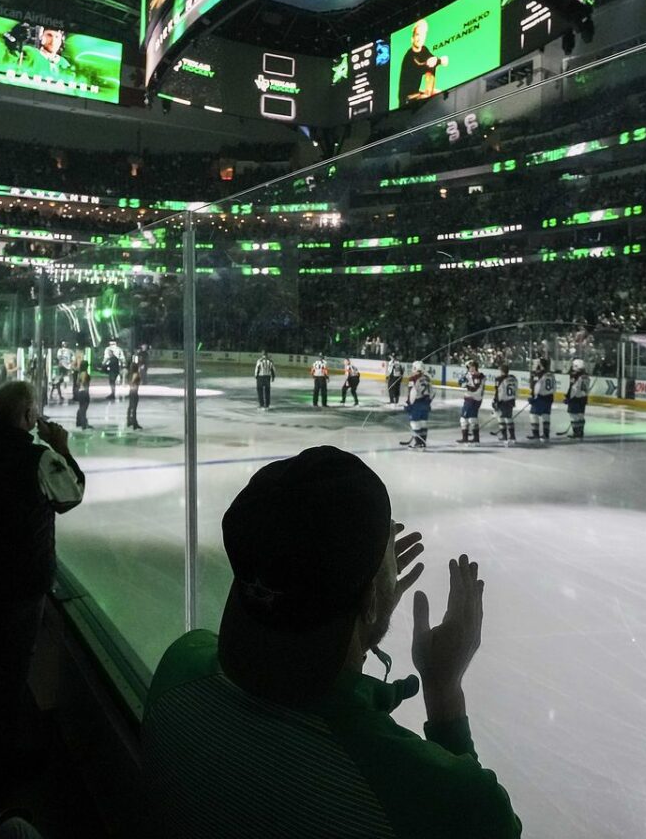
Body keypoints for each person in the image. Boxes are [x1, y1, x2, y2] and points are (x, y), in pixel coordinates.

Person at [138, 446, 520, 838]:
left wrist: (364, 611)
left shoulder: (180, 665)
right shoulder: (443, 796)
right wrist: (443, 690)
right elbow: (476, 816)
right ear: (371, 600)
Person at [0, 382, 85, 791]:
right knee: (11, 668)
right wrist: (61, 447)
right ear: (26, 417)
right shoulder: (38, 457)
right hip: (22, 583)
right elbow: (70, 495)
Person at [399, 19, 449, 104]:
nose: (420, 38)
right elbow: (421, 66)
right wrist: (436, 61)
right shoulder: (409, 56)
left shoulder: (424, 50)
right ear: (412, 38)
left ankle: (429, 93)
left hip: (418, 93)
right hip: (407, 99)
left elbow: (434, 60)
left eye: (422, 35)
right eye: (417, 35)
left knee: (443, 94)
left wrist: (440, 60)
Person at [400, 361, 434, 450]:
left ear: (415, 368)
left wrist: (409, 403)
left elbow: (412, 391)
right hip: (425, 404)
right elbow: (433, 392)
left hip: (416, 403)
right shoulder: (427, 378)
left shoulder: (413, 378)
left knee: (415, 424)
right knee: (423, 423)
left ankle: (418, 444)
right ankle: (423, 443)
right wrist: (428, 402)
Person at [527, 355, 555, 442]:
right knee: (546, 415)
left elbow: (536, 386)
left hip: (539, 397)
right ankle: (546, 434)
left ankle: (536, 434)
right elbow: (554, 387)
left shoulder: (538, 374)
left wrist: (533, 397)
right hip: (549, 397)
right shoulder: (551, 374)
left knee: (533, 415)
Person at [562, 358, 590, 439]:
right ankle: (581, 432)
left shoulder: (575, 376)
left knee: (573, 415)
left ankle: (576, 432)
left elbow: (573, 388)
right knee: (581, 415)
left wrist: (568, 397)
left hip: (575, 398)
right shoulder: (586, 376)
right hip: (583, 398)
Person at [458, 359, 485, 444]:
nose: (469, 369)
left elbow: (475, 388)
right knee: (472, 418)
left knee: (464, 418)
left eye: (470, 367)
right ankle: (475, 438)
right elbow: (461, 383)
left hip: (471, 399)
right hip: (475, 399)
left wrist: (466, 385)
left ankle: (466, 438)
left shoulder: (477, 376)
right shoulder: (476, 375)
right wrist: (462, 381)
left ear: (474, 367)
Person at [492, 363, 518, 444]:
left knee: (501, 418)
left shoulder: (499, 379)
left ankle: (504, 436)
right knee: (509, 418)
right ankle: (512, 436)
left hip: (502, 401)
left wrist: (495, 401)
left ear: (501, 371)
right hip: (511, 400)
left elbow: (498, 391)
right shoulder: (513, 378)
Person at [126, 351, 145, 430]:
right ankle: (134, 423)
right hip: (134, 392)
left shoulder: (130, 374)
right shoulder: (136, 375)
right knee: (134, 408)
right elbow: (135, 382)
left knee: (130, 407)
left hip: (131, 391)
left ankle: (129, 421)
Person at [72, 355, 93, 429]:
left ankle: (79, 422)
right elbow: (84, 382)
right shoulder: (84, 373)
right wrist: (84, 384)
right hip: (84, 391)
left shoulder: (80, 373)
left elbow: (77, 383)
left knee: (81, 408)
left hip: (80, 391)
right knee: (84, 408)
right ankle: (83, 423)